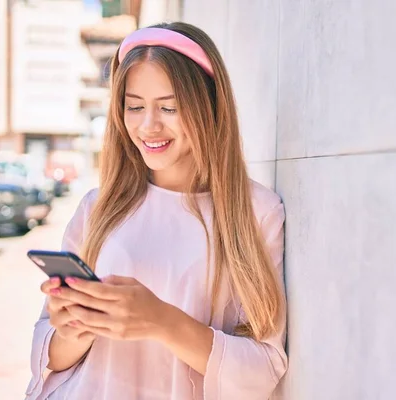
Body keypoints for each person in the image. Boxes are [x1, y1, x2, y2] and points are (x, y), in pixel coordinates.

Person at [25, 22, 288, 400]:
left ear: (209, 106)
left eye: (169, 107)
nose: (148, 126)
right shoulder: (98, 208)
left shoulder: (256, 212)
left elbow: (264, 370)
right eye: (134, 107)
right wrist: (72, 331)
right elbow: (50, 354)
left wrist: (162, 321)